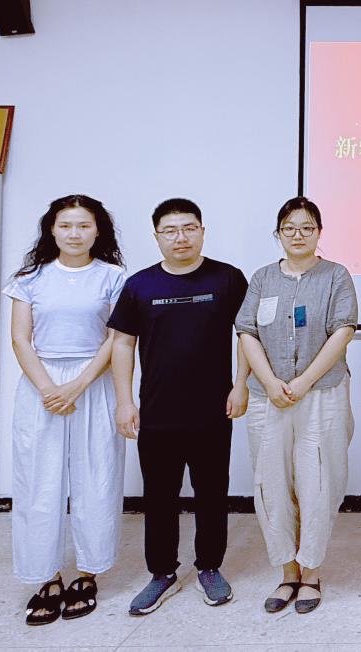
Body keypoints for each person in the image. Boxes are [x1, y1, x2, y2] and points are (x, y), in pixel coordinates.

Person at [109, 198, 249, 616]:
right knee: (159, 497)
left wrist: (241, 384)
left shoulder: (227, 279)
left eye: (189, 228)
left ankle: (209, 566)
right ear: (157, 237)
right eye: (170, 231)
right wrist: (124, 401)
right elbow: (122, 344)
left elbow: (248, 334)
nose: (180, 237)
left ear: (202, 231)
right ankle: (162, 573)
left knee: (212, 493)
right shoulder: (140, 285)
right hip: (157, 412)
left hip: (213, 410)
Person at [4, 195, 126, 625]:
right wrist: (49, 389)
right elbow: (21, 339)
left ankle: (88, 573)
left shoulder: (113, 277)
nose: (75, 234)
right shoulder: (29, 279)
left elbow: (117, 338)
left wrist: (78, 384)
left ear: (98, 231)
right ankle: (47, 577)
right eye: (66, 225)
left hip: (94, 382)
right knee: (38, 482)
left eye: (84, 225)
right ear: (52, 230)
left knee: (97, 477)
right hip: (42, 386)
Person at [235, 197, 357, 614]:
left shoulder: (336, 276)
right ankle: (287, 570)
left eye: (307, 227)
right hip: (268, 397)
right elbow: (246, 332)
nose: (298, 235)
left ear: (319, 232)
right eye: (289, 228)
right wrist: (270, 383)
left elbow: (343, 330)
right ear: (278, 234)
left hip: (321, 393)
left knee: (318, 480)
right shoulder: (263, 278)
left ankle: (311, 572)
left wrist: (304, 381)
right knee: (270, 482)